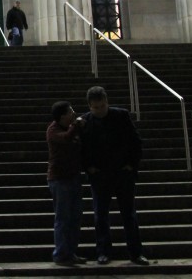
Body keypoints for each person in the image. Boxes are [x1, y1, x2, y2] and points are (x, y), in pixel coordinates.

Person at [80, 86, 148, 266]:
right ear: (90, 106)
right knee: (101, 215)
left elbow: (136, 141)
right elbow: (80, 148)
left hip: (122, 173)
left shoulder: (121, 115)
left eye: (102, 106)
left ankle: (135, 253)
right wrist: (89, 168)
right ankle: (103, 252)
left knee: (128, 215)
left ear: (107, 102)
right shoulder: (85, 121)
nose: (100, 110)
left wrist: (131, 166)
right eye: (96, 108)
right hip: (100, 175)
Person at [47, 101, 87, 267]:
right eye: (70, 111)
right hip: (59, 179)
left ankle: (70, 252)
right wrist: (76, 126)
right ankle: (61, 254)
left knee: (75, 216)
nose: (74, 113)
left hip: (73, 177)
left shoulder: (70, 129)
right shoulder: (53, 130)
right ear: (62, 116)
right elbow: (66, 139)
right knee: (63, 217)